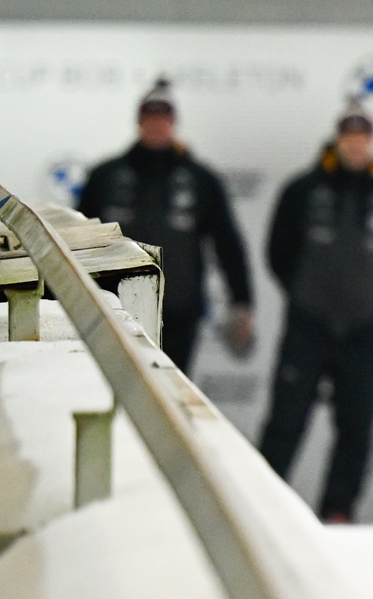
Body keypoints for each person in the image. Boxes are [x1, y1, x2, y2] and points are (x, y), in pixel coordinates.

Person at [258, 108, 373, 523]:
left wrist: (367, 299)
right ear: (337, 140)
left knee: (357, 428)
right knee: (286, 421)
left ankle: (338, 511)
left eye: (363, 138)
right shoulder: (303, 190)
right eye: (349, 137)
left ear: (372, 142)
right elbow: (278, 253)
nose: (356, 145)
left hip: (364, 331)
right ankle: (263, 508)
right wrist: (307, 295)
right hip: (308, 326)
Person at [77, 77, 251, 375]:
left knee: (172, 395)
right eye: (150, 118)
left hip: (179, 312)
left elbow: (227, 243)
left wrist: (242, 301)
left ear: (174, 122)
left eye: (163, 118)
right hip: (115, 308)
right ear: (139, 121)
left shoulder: (200, 180)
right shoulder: (105, 177)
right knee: (117, 390)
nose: (157, 125)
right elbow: (76, 239)